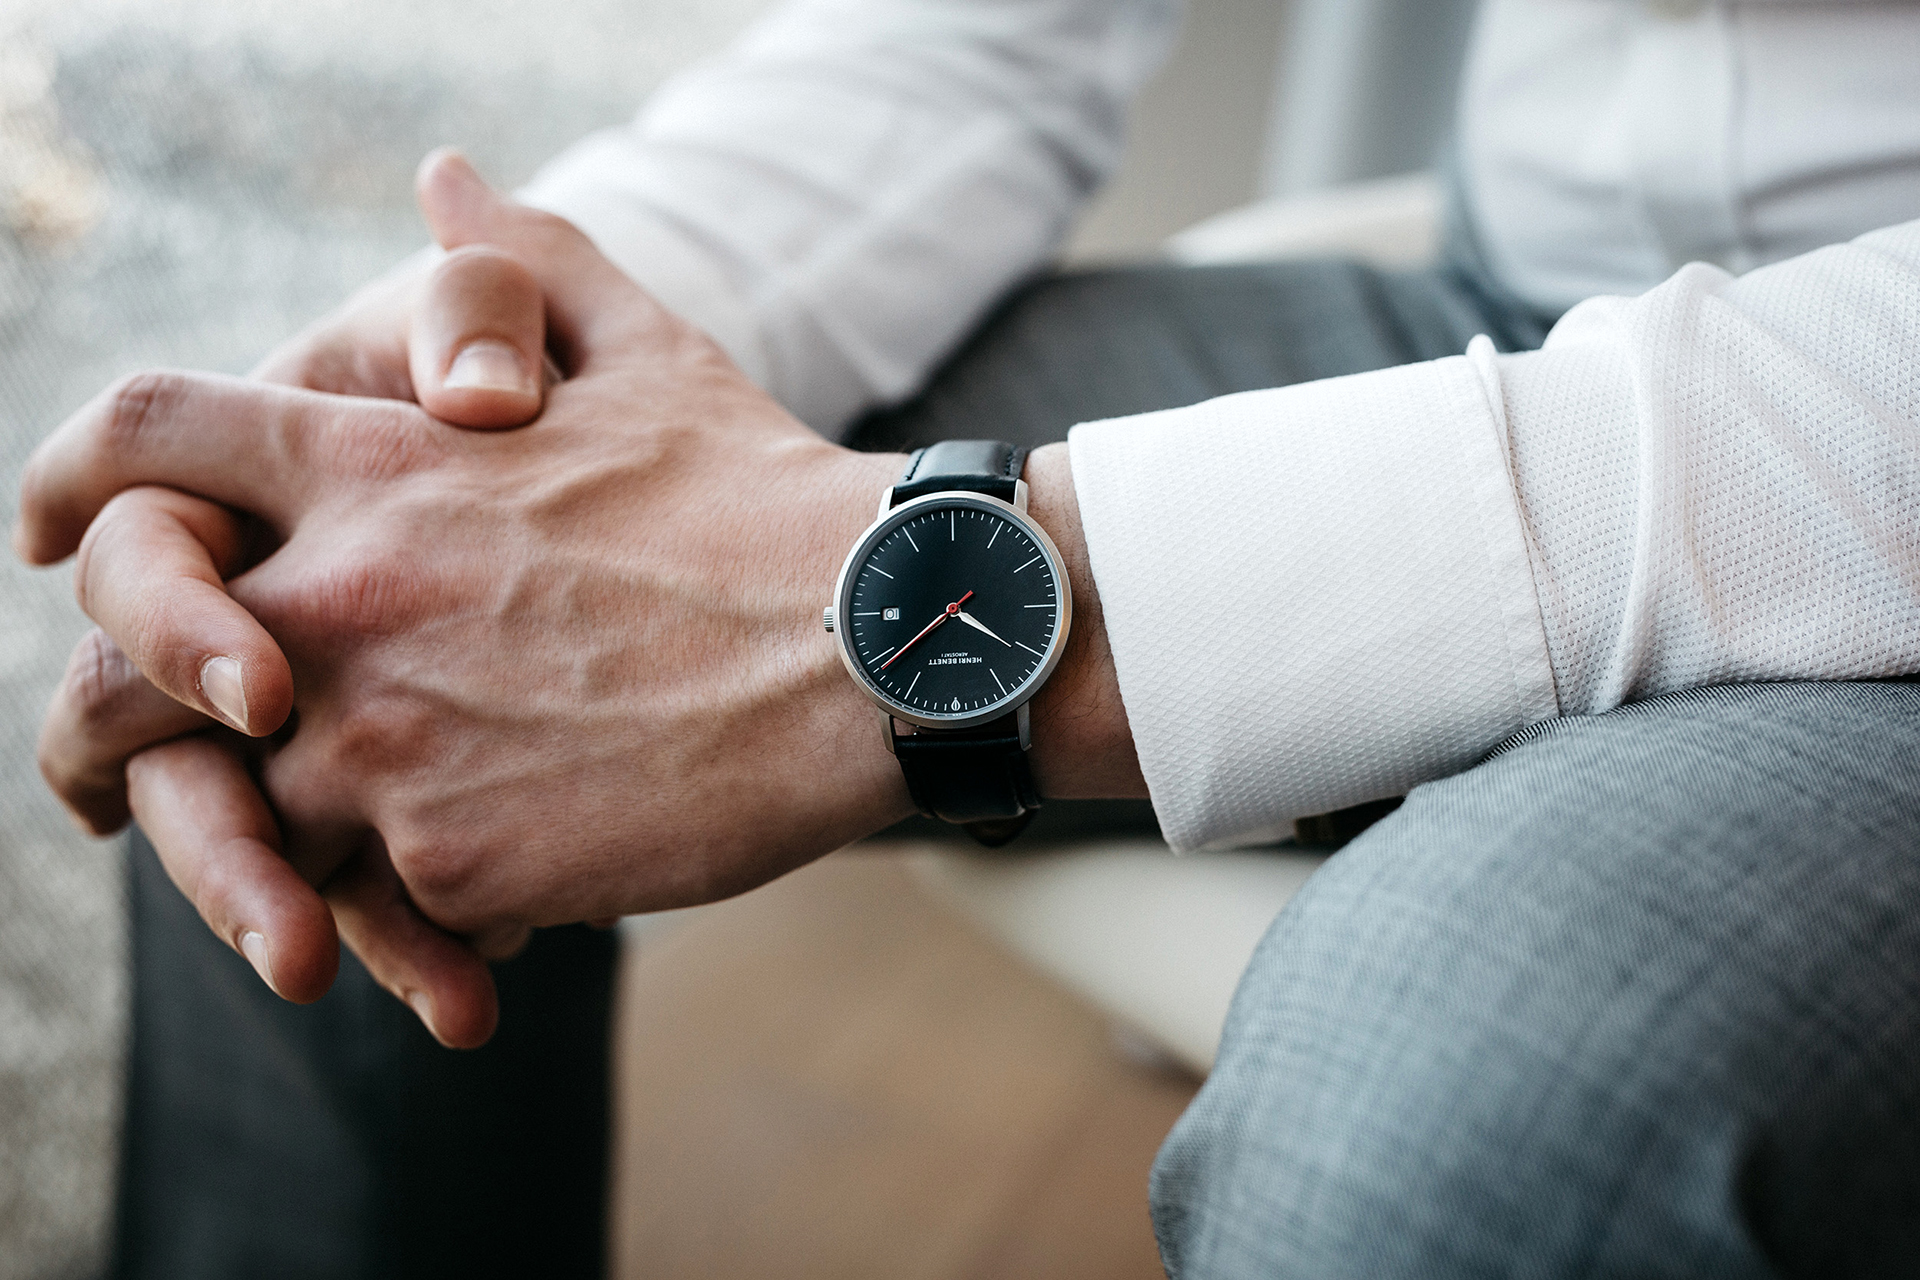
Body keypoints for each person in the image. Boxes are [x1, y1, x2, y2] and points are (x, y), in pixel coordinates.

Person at [17, 0, 1920, 1273]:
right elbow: (979, 33)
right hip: (1517, 292)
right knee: (326, 609)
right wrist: (483, 362)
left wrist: (908, 621)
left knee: (1457, 1136)